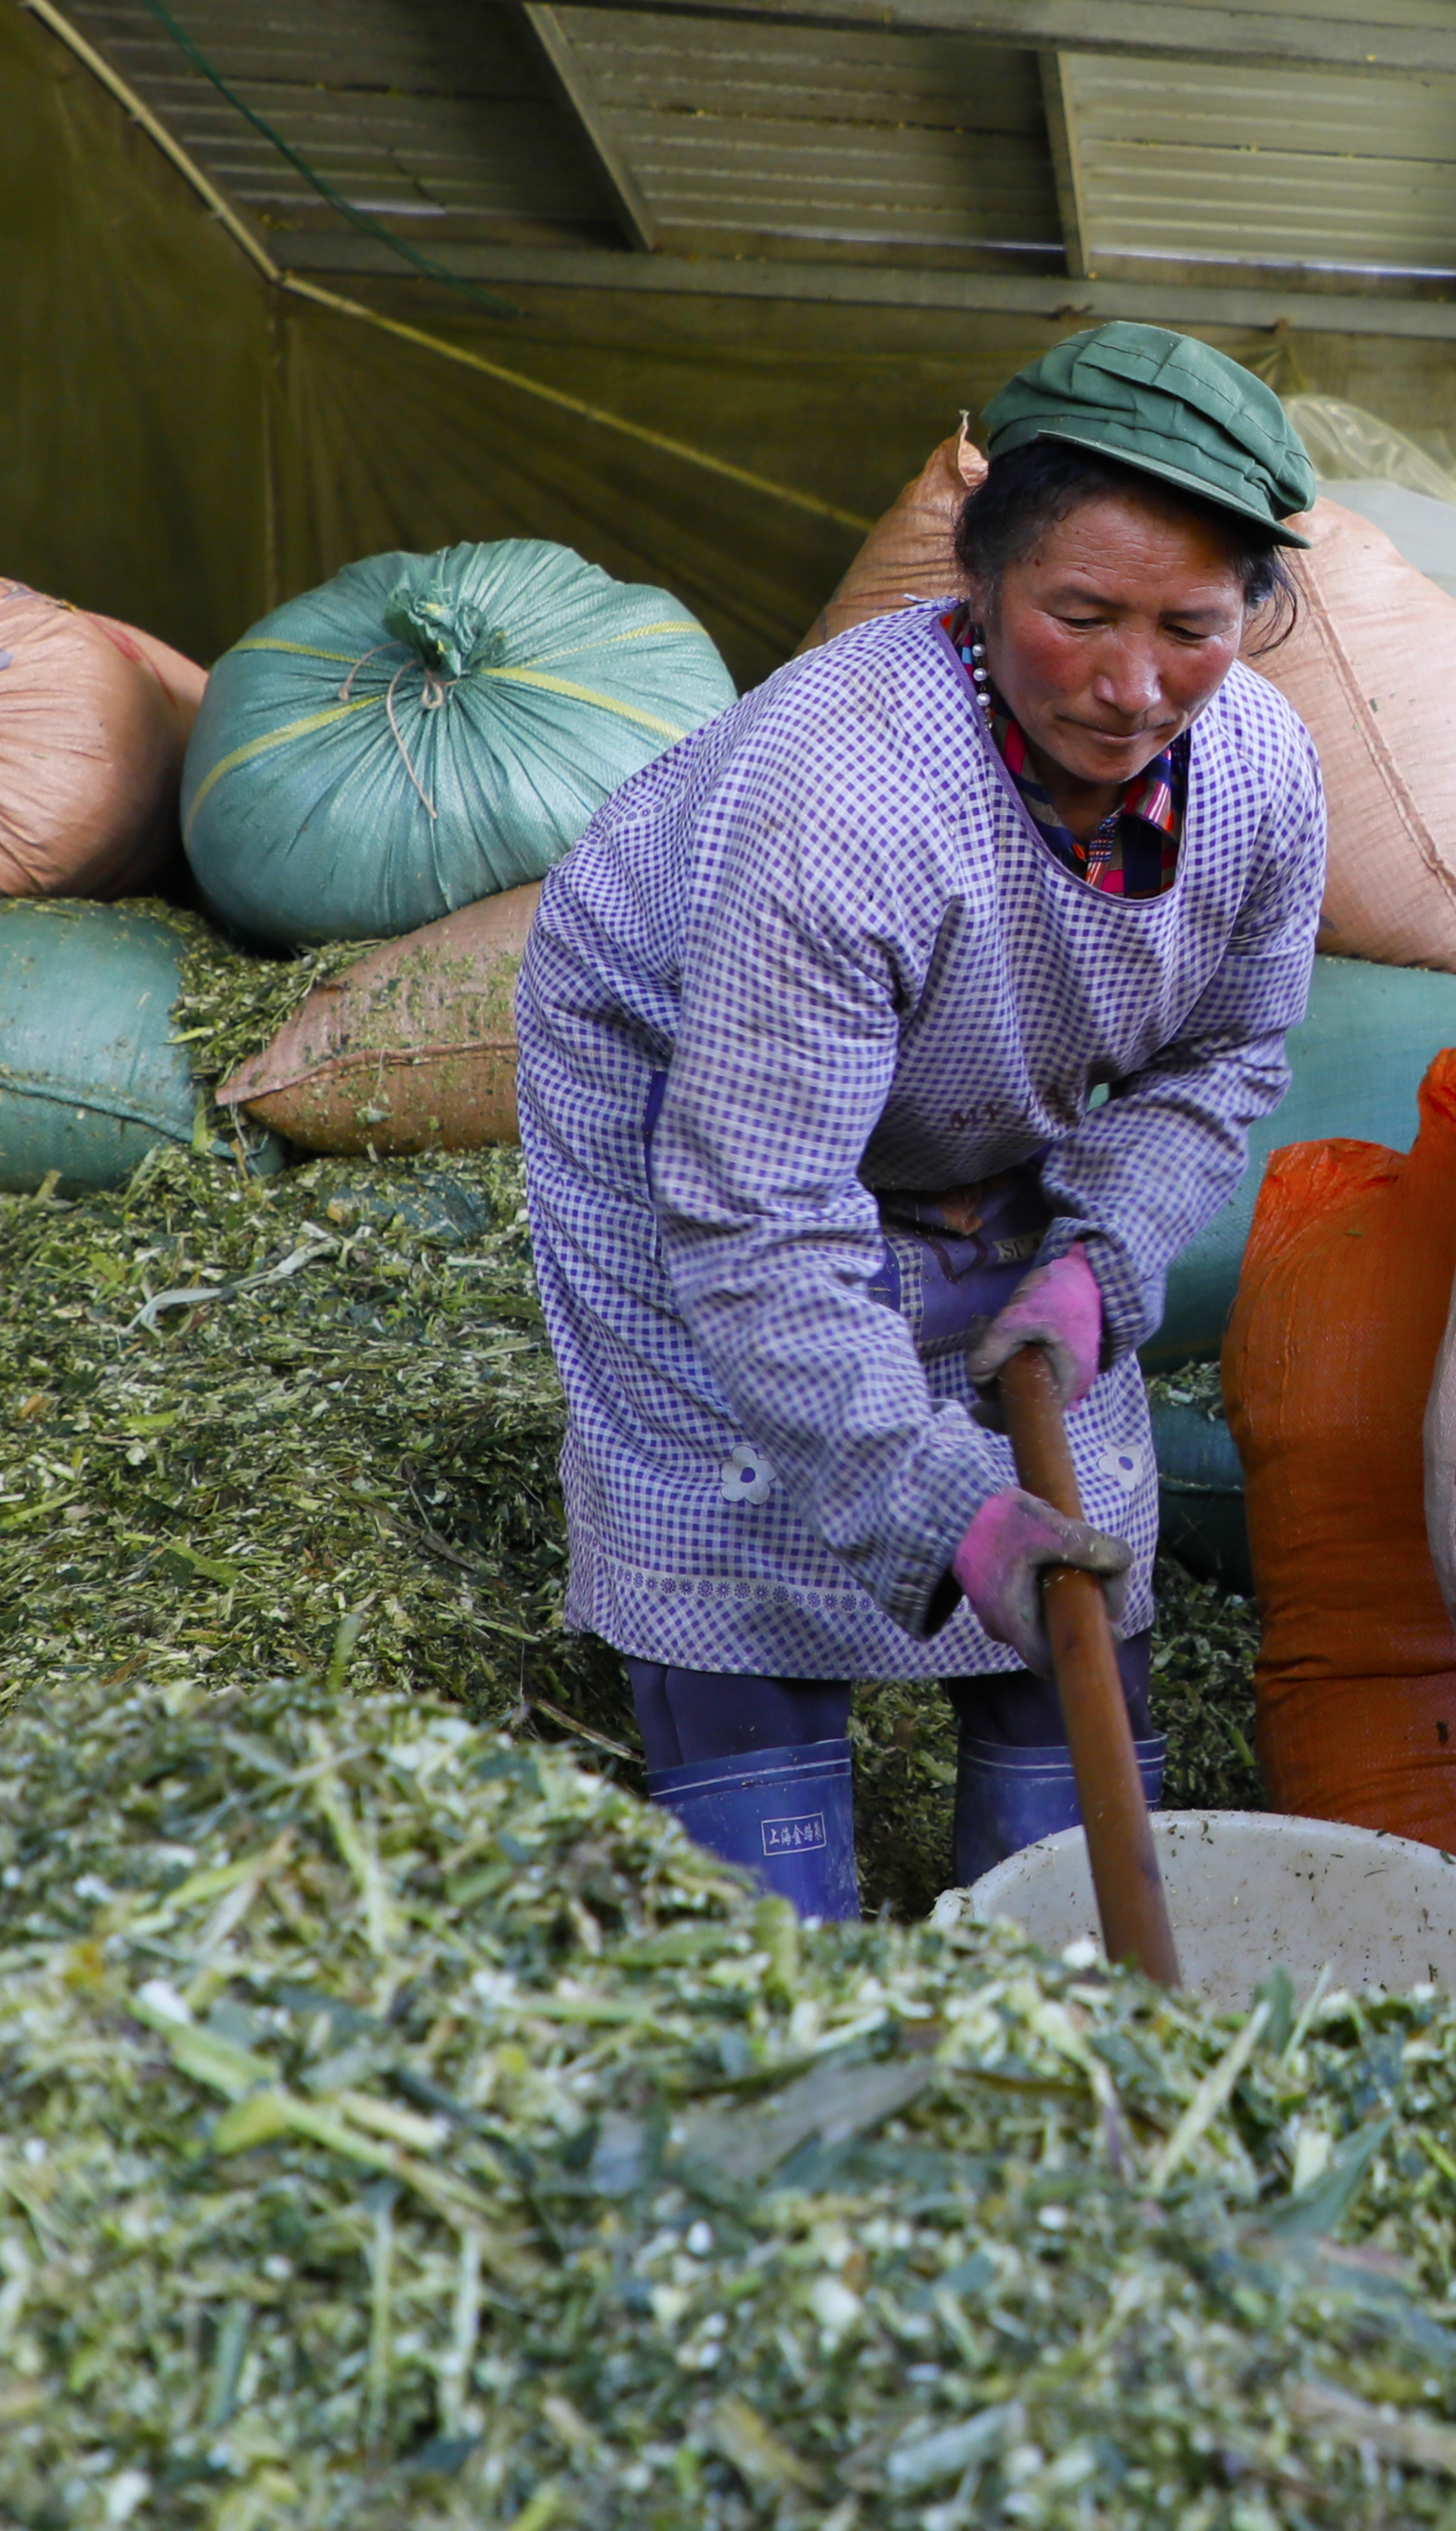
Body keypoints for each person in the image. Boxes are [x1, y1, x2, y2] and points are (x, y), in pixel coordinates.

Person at [516, 326, 1328, 1920]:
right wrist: (941, 1509)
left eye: (1192, 628)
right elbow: (755, 1218)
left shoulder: (1264, 777)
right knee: (739, 1478)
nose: (1130, 683)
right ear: (977, 580)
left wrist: (1103, 1254)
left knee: (1068, 1507)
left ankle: (1039, 1883)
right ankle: (766, 1855)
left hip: (977, 1108)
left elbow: (1226, 1055)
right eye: (1077, 615)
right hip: (702, 1113)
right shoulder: (848, 796)